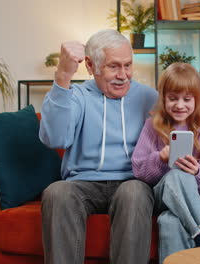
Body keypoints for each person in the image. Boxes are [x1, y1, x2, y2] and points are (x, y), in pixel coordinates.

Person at [39, 29, 158, 264]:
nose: (123, 75)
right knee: (57, 192)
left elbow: (183, 117)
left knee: (134, 192)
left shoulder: (147, 96)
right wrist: (63, 76)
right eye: (114, 66)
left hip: (131, 181)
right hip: (83, 183)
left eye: (128, 65)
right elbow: (55, 139)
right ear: (91, 66)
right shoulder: (77, 95)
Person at [132, 62, 200, 263]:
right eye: (172, 98)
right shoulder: (152, 126)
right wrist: (159, 159)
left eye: (187, 99)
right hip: (163, 198)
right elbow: (138, 171)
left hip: (199, 202)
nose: (179, 105)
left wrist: (198, 172)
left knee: (169, 221)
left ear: (197, 100)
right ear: (163, 98)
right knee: (175, 174)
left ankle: (199, 234)